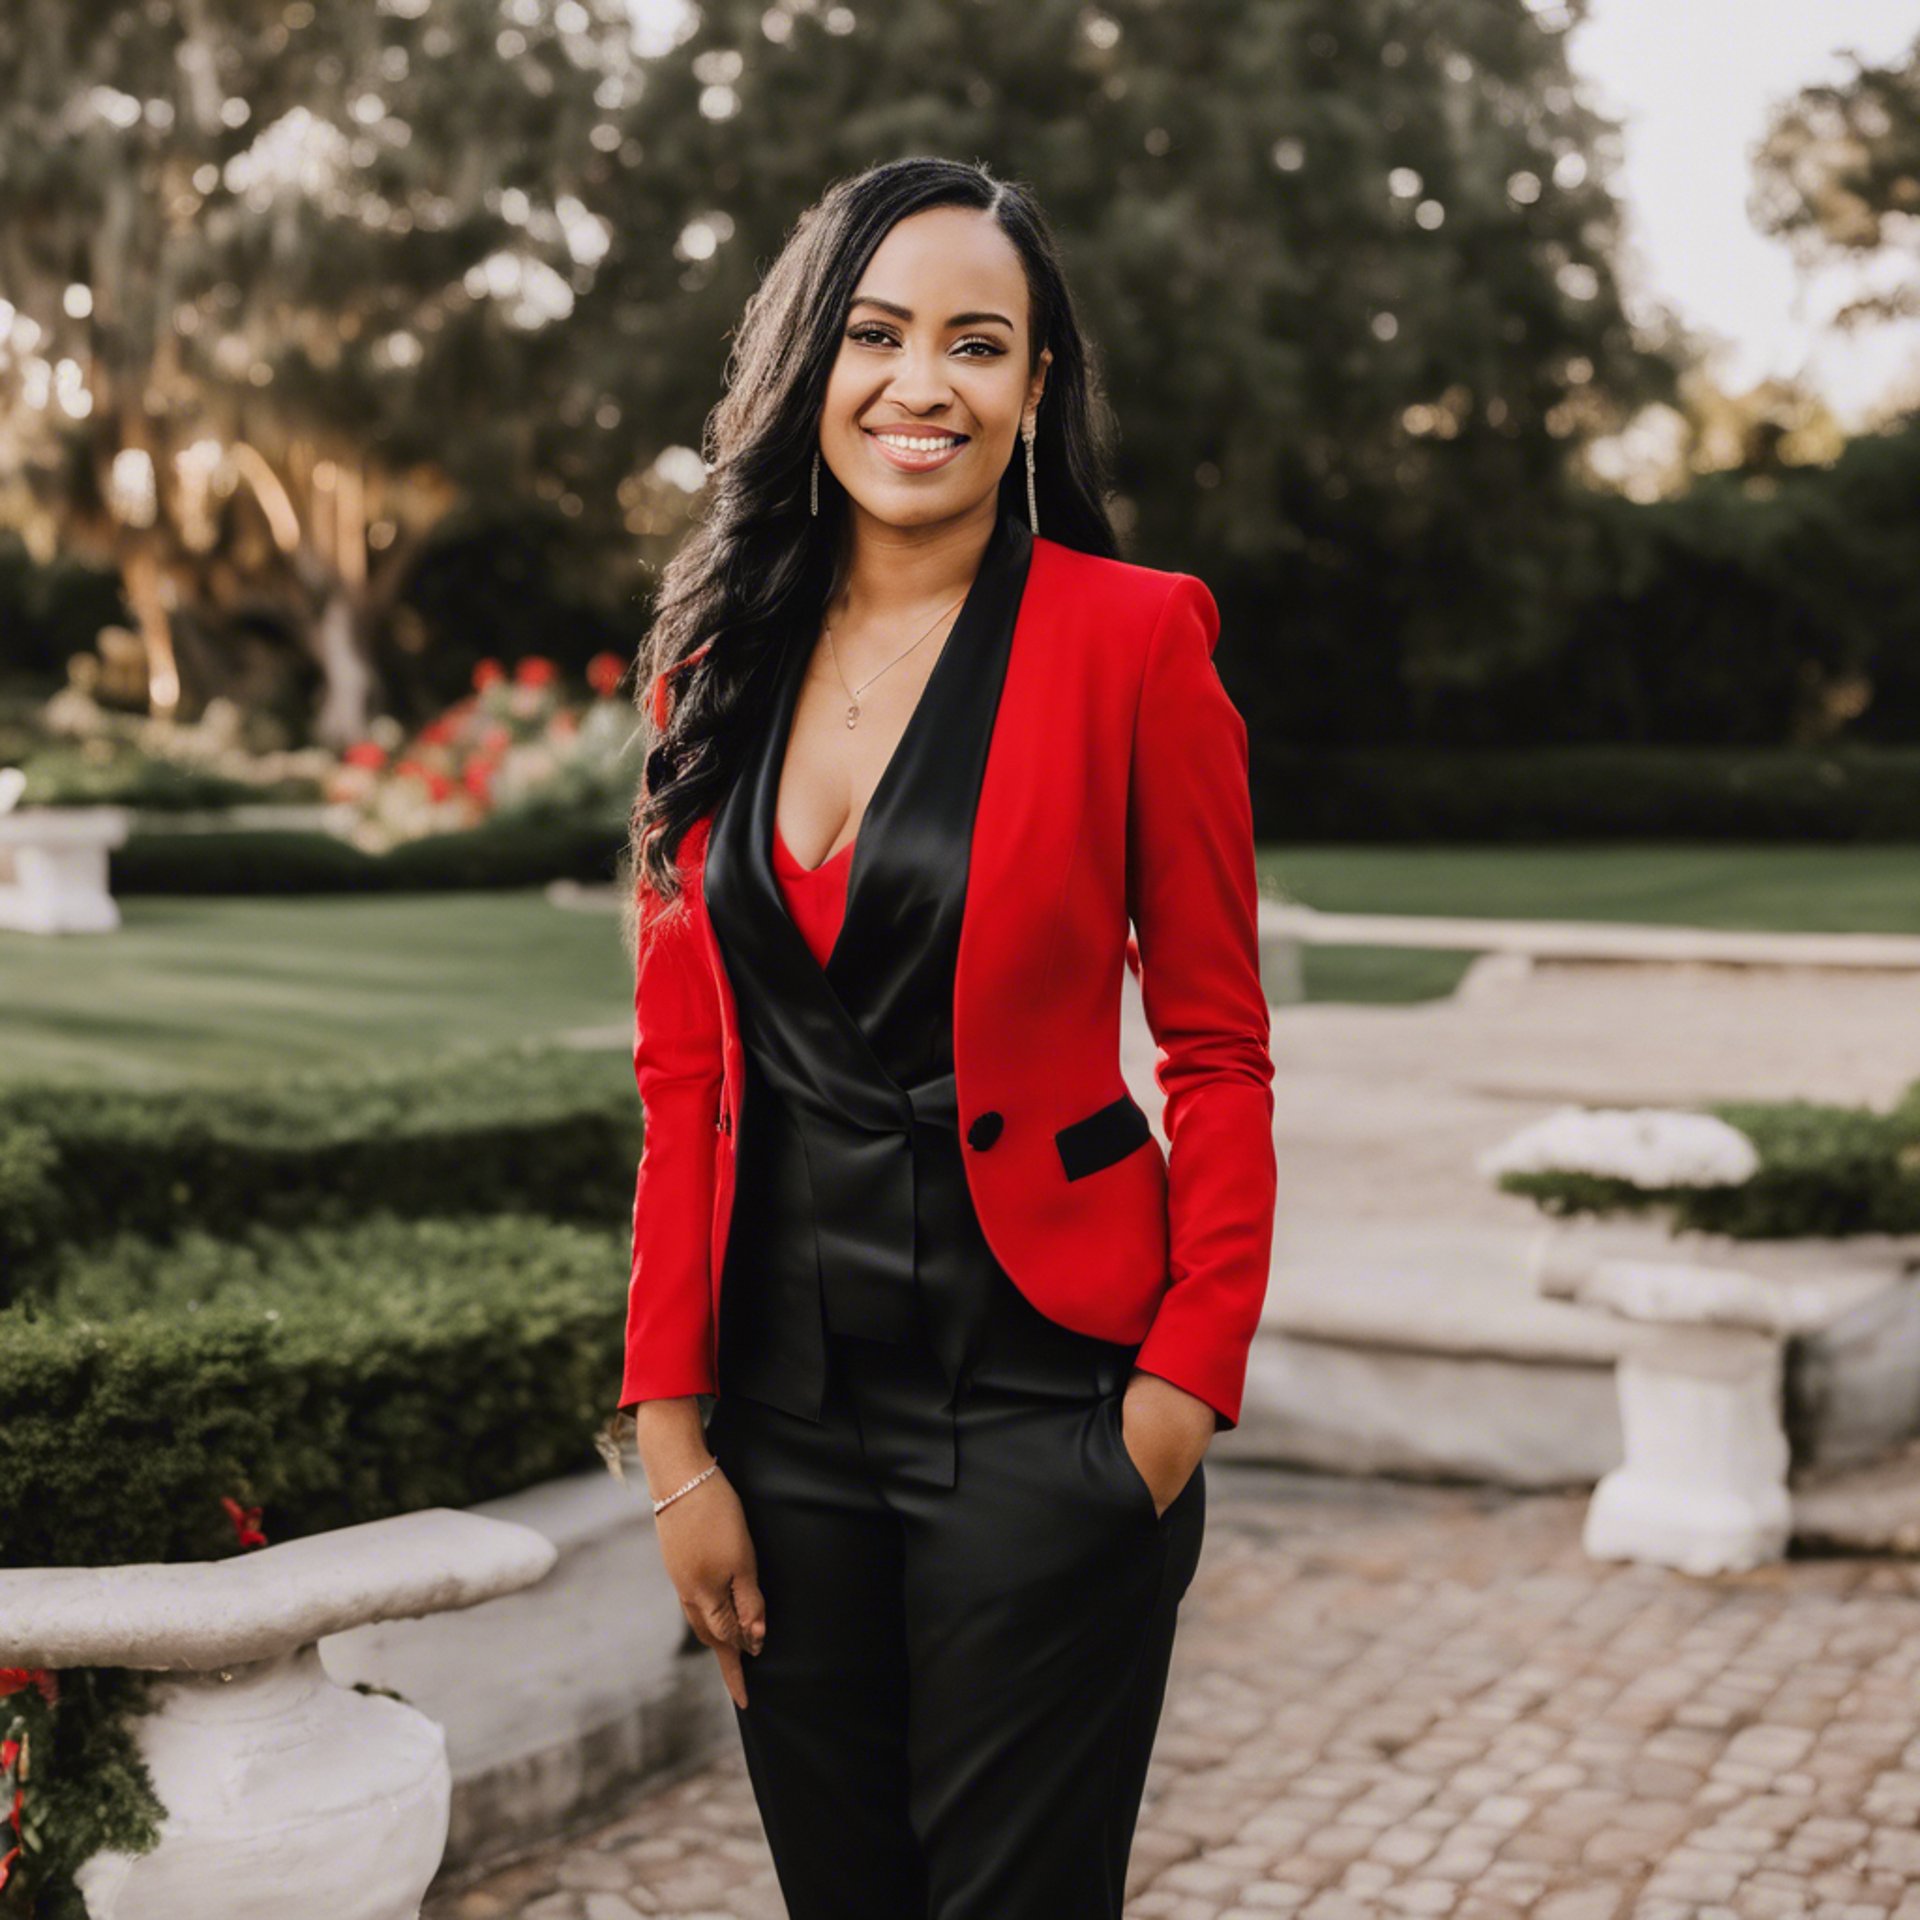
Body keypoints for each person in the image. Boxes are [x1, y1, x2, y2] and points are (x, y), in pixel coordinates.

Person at [615, 155, 1277, 1920]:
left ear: (1036, 385)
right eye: (877, 335)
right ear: (807, 365)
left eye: (978, 344)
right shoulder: (715, 666)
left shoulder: (1139, 642)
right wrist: (676, 1447)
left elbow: (1216, 1049)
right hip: (781, 1424)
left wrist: (1174, 1402)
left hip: (1048, 1408)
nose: (925, 384)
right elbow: (686, 1081)